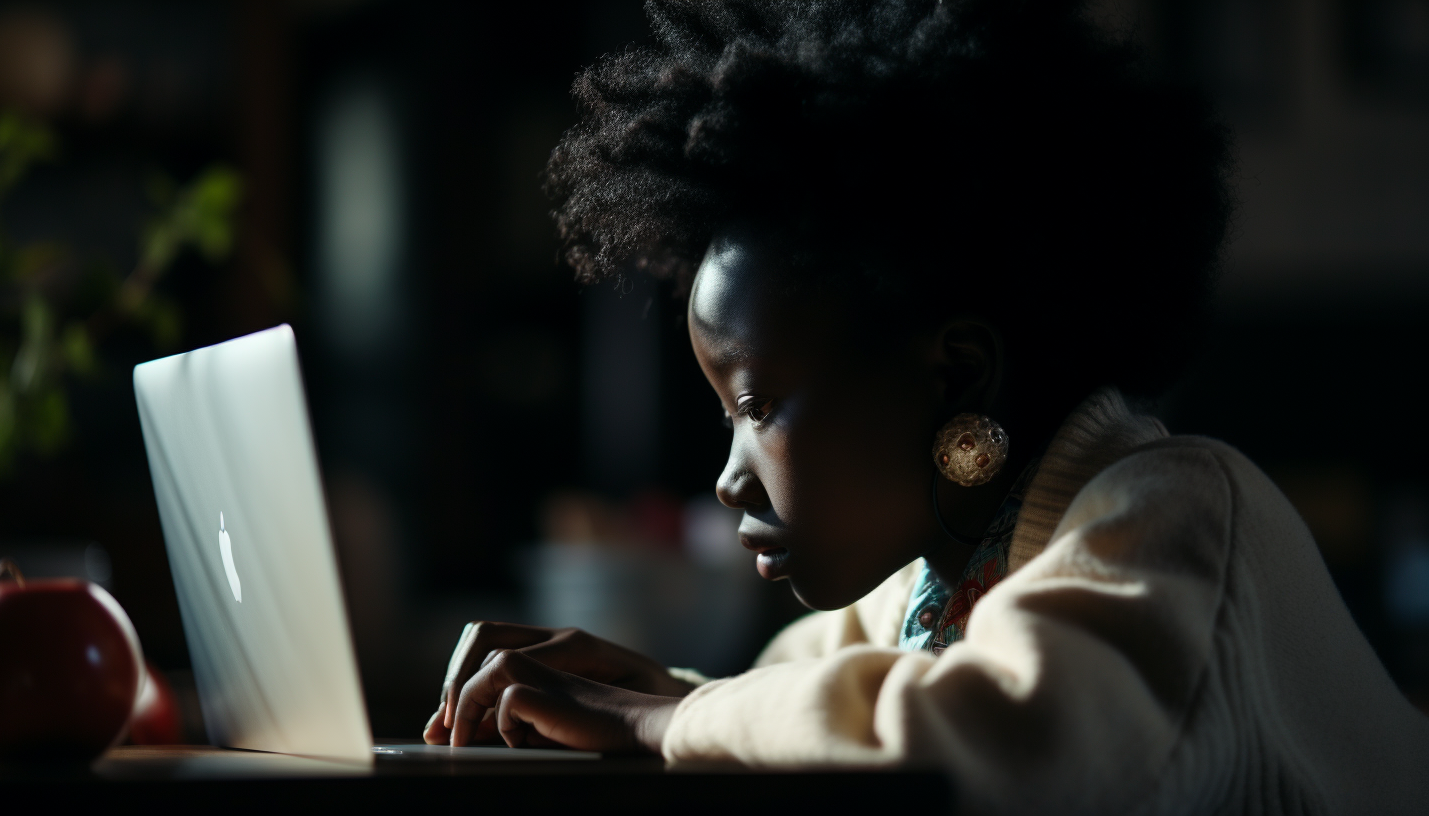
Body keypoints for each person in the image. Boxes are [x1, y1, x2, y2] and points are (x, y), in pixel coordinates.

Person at [423, 1, 1429, 811]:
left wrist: (661, 722)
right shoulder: (909, 592)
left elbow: (1003, 750)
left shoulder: (1178, 513)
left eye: (756, 403)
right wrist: (656, 693)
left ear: (955, 377)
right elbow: (789, 715)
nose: (728, 477)